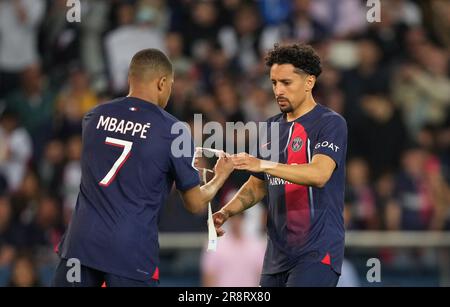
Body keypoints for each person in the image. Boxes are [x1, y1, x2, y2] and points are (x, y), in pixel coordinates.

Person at [52, 49, 234, 287]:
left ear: (131, 78)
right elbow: (195, 203)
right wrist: (219, 176)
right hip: (130, 252)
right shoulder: (173, 130)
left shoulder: (94, 117)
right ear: (162, 83)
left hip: (80, 244)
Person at [213, 44, 348, 287]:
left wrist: (263, 164)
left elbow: (320, 173)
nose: (278, 90)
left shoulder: (330, 123)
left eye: (286, 82)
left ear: (309, 82)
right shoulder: (270, 129)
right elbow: (257, 187)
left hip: (316, 253)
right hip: (276, 256)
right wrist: (226, 211)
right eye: (274, 83)